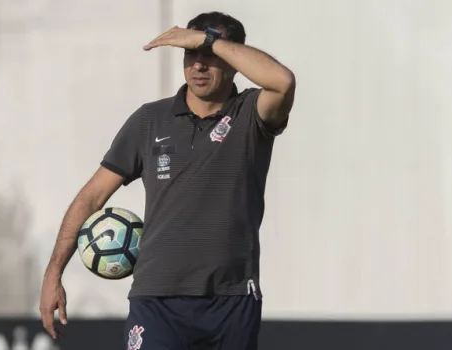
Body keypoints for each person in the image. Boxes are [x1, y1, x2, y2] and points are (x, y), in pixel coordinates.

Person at [40, 11, 296, 350]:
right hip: (157, 301)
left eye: (211, 55)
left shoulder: (251, 112)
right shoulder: (149, 120)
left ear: (234, 59)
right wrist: (53, 273)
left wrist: (207, 40)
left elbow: (283, 81)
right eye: (191, 54)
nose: (199, 65)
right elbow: (90, 198)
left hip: (231, 299)